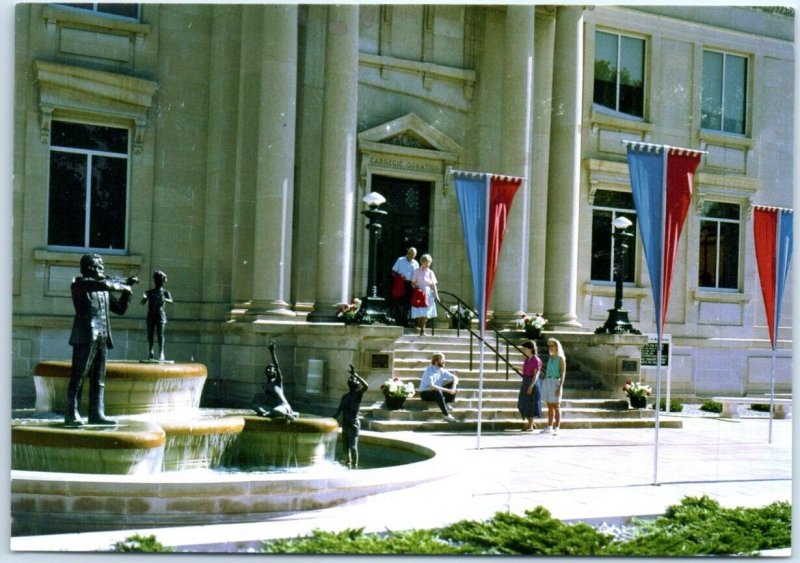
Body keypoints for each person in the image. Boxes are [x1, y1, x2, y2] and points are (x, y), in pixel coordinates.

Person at [65, 253, 138, 427]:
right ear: (90, 268)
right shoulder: (80, 283)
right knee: (79, 375)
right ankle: (71, 414)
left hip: (102, 337)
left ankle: (96, 413)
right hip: (85, 336)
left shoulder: (103, 291)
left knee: (99, 378)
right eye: (99, 266)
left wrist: (128, 292)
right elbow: (104, 283)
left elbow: (119, 309)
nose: (102, 269)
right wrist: (123, 286)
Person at [332, 365, 369, 468]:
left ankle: (354, 465)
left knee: (353, 447)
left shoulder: (358, 395)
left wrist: (355, 375)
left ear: (356, 384)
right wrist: (332, 418)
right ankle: (347, 464)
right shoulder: (345, 396)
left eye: (353, 379)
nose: (352, 380)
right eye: (351, 379)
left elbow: (366, 386)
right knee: (345, 447)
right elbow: (339, 410)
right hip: (345, 423)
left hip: (354, 424)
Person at [252, 342, 297, 422]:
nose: (269, 370)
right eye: (268, 369)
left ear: (275, 372)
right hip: (273, 407)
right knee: (254, 405)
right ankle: (271, 413)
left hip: (283, 406)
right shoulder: (265, 386)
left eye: (271, 369)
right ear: (265, 372)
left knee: (277, 411)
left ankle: (287, 414)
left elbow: (277, 366)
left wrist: (272, 352)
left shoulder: (278, 381)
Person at [140, 270, 173, 361]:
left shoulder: (165, 292)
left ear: (162, 281)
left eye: (160, 280)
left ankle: (161, 352)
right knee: (150, 334)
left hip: (160, 316)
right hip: (151, 315)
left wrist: (165, 299)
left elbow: (171, 301)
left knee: (160, 334)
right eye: (156, 280)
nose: (158, 282)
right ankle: (151, 351)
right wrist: (144, 297)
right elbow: (142, 302)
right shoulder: (150, 292)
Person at [419, 352, 458, 422]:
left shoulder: (442, 370)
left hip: (437, 392)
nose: (444, 361)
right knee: (437, 391)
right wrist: (448, 391)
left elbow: (455, 377)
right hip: (426, 393)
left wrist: (453, 388)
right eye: (442, 360)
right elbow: (432, 386)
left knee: (452, 384)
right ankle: (446, 415)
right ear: (436, 361)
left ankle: (446, 403)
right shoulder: (429, 370)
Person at [540, 338, 566, 434]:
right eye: (549, 346)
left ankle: (557, 427)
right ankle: (550, 426)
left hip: (556, 381)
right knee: (549, 405)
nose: (550, 348)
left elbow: (563, 373)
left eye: (552, 346)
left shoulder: (561, 358)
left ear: (556, 347)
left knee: (556, 405)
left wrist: (559, 386)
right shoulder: (550, 358)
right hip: (548, 381)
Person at [410, 253, 439, 336]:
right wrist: (416, 290)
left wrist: (436, 295)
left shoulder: (430, 272)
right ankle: (419, 324)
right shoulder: (417, 271)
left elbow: (433, 285)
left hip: (428, 293)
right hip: (419, 292)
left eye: (429, 262)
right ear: (422, 262)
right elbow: (412, 283)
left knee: (426, 313)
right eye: (426, 262)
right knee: (419, 313)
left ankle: (422, 330)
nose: (427, 264)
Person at [517, 340, 542, 431]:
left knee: (531, 404)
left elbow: (536, 374)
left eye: (525, 348)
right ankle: (531, 423)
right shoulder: (527, 359)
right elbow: (526, 371)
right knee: (522, 403)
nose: (524, 350)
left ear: (531, 349)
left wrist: (531, 386)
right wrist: (517, 368)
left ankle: (530, 425)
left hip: (532, 382)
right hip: (525, 381)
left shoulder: (536, 360)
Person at [390, 247, 419, 326]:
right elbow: (393, 272)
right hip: (400, 284)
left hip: (410, 285)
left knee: (407, 303)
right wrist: (400, 276)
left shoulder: (416, 263)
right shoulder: (400, 260)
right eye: (410, 254)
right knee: (399, 303)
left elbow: (417, 275)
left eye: (413, 255)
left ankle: (404, 321)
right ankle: (398, 320)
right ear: (408, 253)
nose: (411, 256)